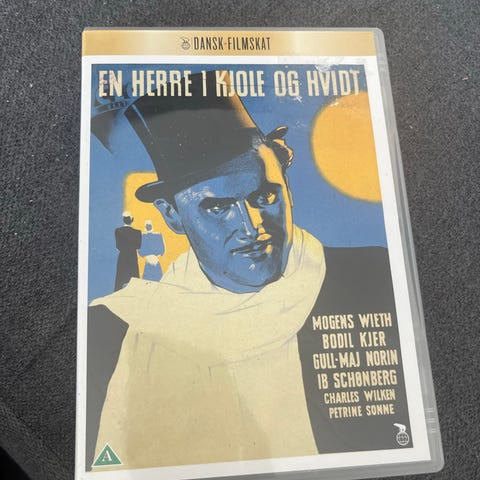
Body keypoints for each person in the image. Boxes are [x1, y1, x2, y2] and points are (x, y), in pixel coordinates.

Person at [86, 71, 409, 471]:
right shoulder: (119, 328)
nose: (251, 225)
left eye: (265, 196)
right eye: (218, 207)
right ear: (172, 215)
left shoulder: (376, 277)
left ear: (287, 186)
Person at [113, 212, 142, 291]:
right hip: (133, 257)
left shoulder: (118, 231)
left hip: (122, 256)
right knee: (134, 279)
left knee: (120, 279)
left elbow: (118, 246)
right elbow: (138, 246)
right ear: (132, 220)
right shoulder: (137, 232)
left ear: (123, 219)